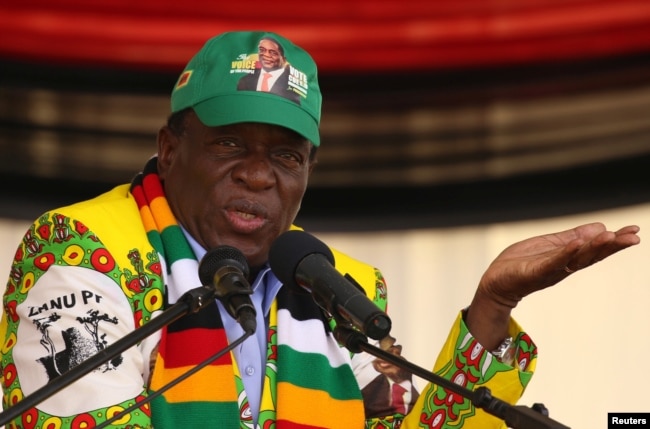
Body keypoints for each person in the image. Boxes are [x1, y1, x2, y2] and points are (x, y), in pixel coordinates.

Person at [0, 30, 640, 429]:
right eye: (230, 145)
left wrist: (492, 310)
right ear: (169, 149)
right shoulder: (85, 251)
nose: (258, 176)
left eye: (285, 156)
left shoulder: (340, 290)